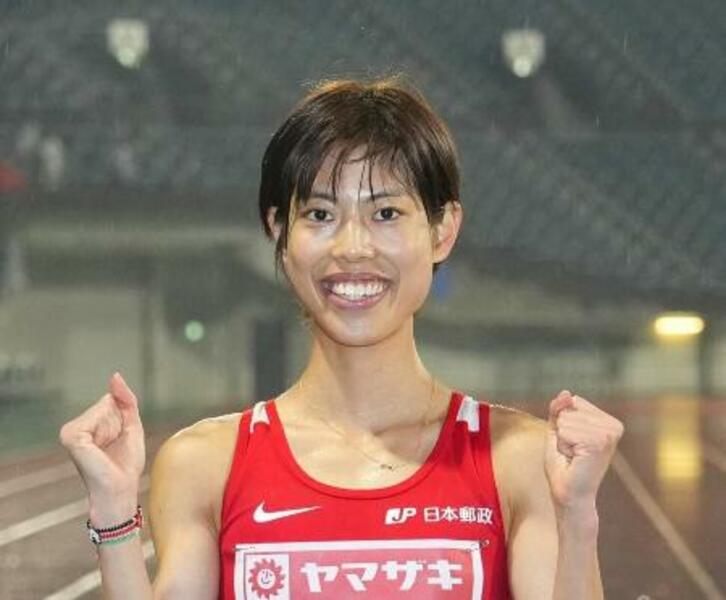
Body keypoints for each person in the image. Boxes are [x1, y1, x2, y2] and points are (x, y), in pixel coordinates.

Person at [59, 77, 624, 599]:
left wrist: (576, 515)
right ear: (280, 231)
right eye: (321, 214)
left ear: (442, 230)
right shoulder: (206, 465)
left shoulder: (516, 459)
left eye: (386, 213)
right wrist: (113, 513)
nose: (352, 248)